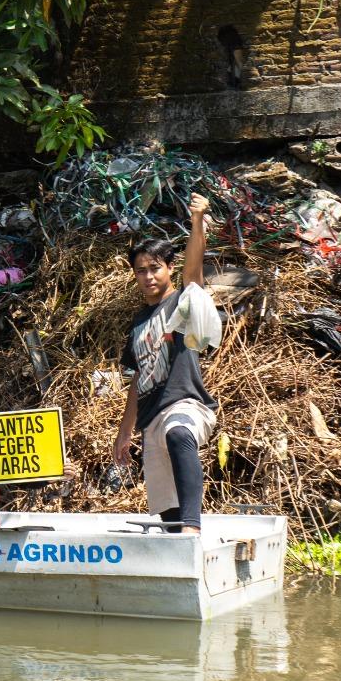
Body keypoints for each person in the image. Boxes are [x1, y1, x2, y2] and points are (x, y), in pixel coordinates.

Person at [113, 194, 219, 533]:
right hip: (149, 419)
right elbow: (137, 378)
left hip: (186, 404)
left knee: (180, 433)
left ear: (169, 268)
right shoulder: (137, 324)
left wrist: (197, 221)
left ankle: (194, 526)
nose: (148, 276)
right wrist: (124, 432)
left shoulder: (181, 302)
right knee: (167, 514)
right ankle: (180, 533)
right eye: (140, 270)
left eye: (155, 268)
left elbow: (193, 271)